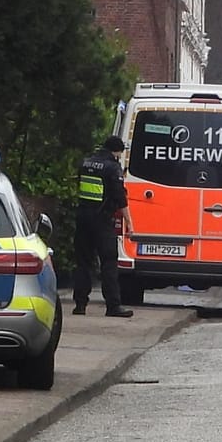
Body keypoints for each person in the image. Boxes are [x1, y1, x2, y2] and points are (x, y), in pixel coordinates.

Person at [72, 134, 131, 318]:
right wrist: (129, 221)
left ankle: (80, 304)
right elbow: (120, 198)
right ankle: (113, 306)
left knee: (83, 262)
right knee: (109, 262)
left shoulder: (86, 163)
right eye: (120, 154)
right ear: (116, 152)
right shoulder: (112, 168)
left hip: (83, 217)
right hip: (102, 220)